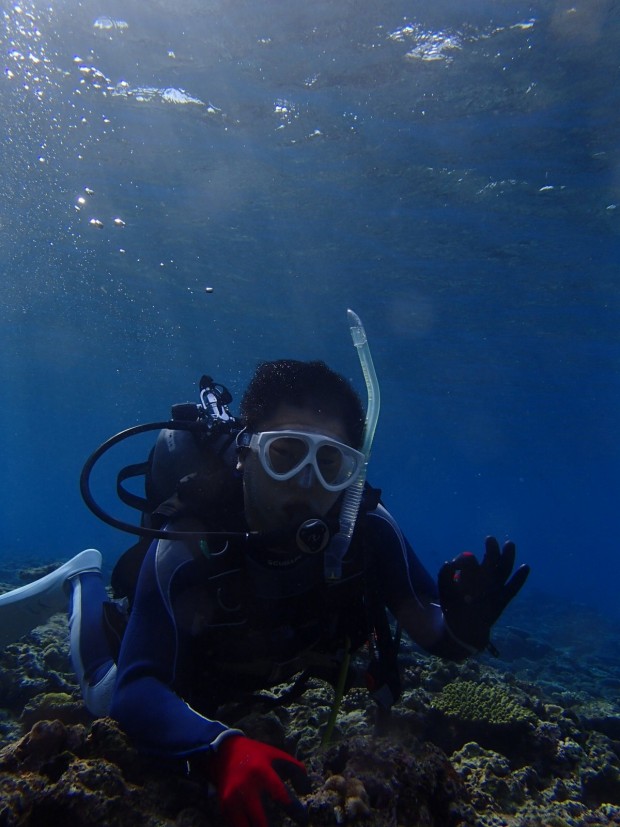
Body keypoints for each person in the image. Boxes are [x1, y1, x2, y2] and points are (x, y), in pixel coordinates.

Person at [0, 355, 529, 827]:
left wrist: (463, 628)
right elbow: (138, 688)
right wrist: (219, 748)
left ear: (352, 473)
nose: (305, 482)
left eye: (329, 464)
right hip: (201, 668)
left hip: (263, 662)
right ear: (245, 455)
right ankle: (80, 580)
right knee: (101, 695)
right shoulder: (189, 545)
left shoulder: (368, 531)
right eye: (285, 454)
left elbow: (429, 628)